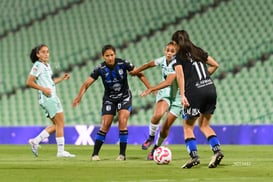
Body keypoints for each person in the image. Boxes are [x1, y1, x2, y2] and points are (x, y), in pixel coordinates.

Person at [72, 44, 150, 161]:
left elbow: (139, 73)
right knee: (105, 125)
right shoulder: (100, 68)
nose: (110, 58)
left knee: (122, 122)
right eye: (107, 56)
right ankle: (95, 154)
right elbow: (86, 83)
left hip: (124, 97)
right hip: (109, 99)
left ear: (115, 54)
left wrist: (149, 88)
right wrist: (79, 96)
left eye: (112, 55)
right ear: (103, 57)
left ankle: (122, 155)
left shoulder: (123, 64)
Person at [171, 30, 224, 168]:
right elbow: (215, 65)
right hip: (210, 89)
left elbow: (180, 76)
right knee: (204, 125)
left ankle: (194, 156)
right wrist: (204, 78)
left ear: (175, 44)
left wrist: (183, 95)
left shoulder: (178, 57)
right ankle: (217, 151)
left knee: (188, 126)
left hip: (194, 92)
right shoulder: (198, 51)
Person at [26, 44, 75, 158]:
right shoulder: (38, 65)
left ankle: (35, 141)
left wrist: (62, 78)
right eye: (43, 52)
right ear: (38, 55)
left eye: (47, 51)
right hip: (48, 97)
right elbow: (29, 82)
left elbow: (50, 83)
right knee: (60, 123)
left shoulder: (46, 66)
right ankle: (60, 151)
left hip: (51, 96)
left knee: (57, 124)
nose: (46, 54)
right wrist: (43, 89)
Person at [130, 42, 177, 151]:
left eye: (172, 51)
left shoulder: (177, 64)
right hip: (165, 93)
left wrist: (151, 89)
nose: (169, 53)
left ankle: (155, 148)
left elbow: (169, 82)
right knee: (158, 115)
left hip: (177, 97)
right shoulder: (162, 60)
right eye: (167, 50)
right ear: (164, 51)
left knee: (165, 128)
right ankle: (151, 137)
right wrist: (136, 71)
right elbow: (149, 65)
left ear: (176, 53)